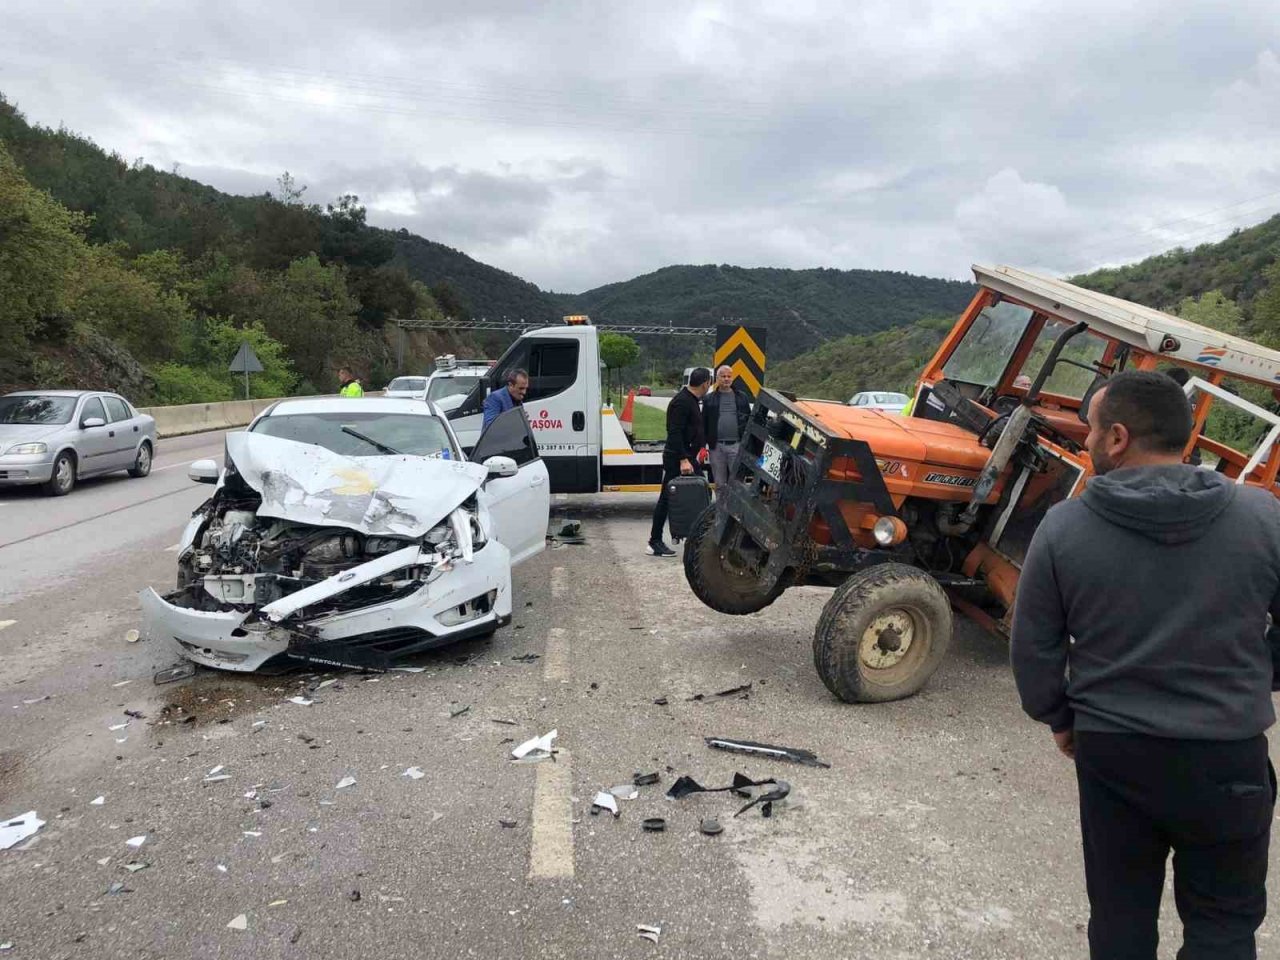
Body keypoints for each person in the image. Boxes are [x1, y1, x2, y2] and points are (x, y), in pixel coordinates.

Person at [1011, 370, 1280, 960]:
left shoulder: (1064, 527)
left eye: (1091, 430)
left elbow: (1034, 644)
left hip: (1113, 753)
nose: (1084, 442)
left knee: (1120, 919)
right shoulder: (1264, 518)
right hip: (1226, 757)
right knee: (1224, 928)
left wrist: (1058, 715)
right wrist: (1261, 676)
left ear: (1118, 439)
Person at [647, 367, 711, 557]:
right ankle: (654, 542)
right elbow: (674, 433)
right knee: (666, 500)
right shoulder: (682, 402)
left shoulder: (691, 400)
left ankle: (698, 538)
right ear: (705, 383)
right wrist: (683, 459)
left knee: (703, 492)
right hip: (678, 458)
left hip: (688, 457)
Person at [702, 365, 752, 488]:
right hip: (716, 448)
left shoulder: (742, 397)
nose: (726, 379)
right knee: (719, 483)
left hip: (736, 446)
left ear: (732, 378)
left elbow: (749, 421)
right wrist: (703, 446)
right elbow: (704, 423)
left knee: (738, 483)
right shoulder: (709, 399)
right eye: (723, 376)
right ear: (717, 379)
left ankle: (736, 507)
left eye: (729, 376)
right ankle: (721, 507)